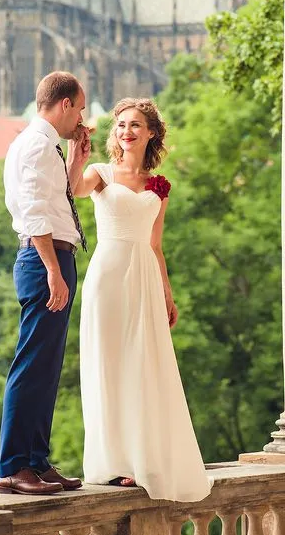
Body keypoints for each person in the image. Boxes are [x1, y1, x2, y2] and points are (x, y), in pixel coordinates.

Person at [70, 97, 212, 502]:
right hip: (108, 275)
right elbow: (75, 189)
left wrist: (167, 293)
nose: (126, 131)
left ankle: (139, 458)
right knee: (108, 361)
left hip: (145, 278)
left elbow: (155, 244)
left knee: (142, 364)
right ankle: (111, 462)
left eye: (135, 125)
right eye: (120, 126)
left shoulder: (158, 185)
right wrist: (77, 155)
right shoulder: (101, 173)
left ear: (150, 133)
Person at [0, 71, 91, 495]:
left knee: (47, 368)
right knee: (32, 365)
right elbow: (34, 211)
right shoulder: (36, 145)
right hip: (44, 258)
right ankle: (14, 467)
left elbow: (59, 200)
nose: (82, 117)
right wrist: (52, 269)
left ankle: (36, 460)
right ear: (65, 103)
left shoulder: (49, 145)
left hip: (54, 254)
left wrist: (76, 161)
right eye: (81, 107)